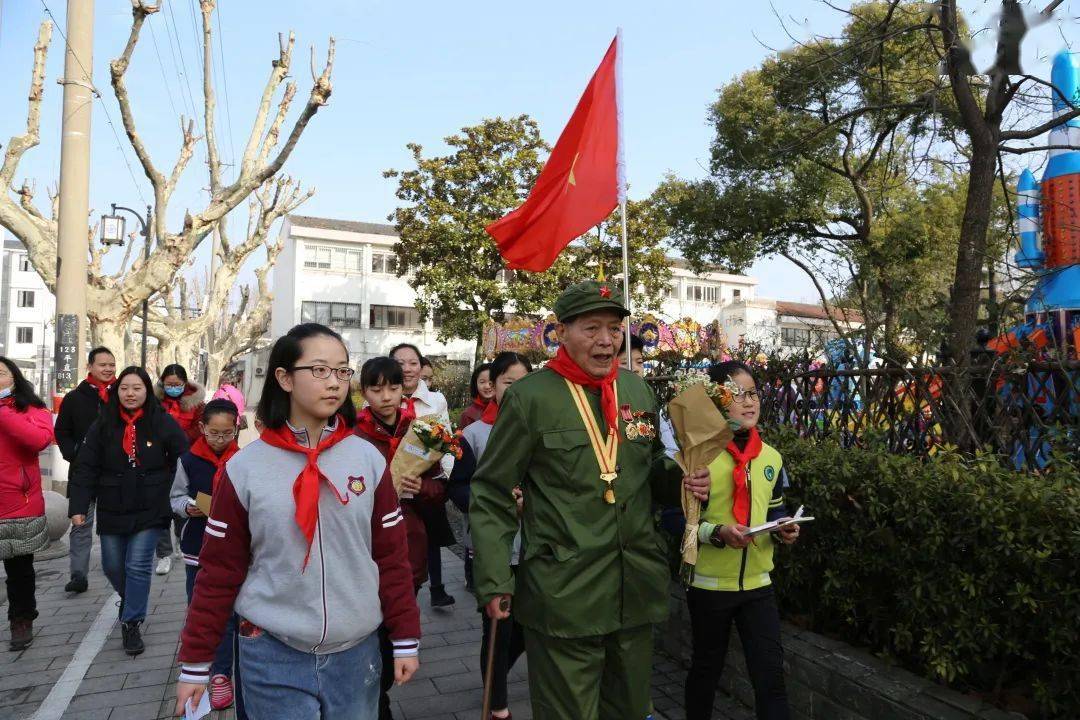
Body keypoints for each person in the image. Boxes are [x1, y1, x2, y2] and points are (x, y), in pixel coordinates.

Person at [470, 280, 712, 719]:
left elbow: (650, 468)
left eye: (615, 329)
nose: (607, 341)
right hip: (565, 594)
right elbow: (491, 492)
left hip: (633, 587)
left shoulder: (637, 392)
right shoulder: (531, 398)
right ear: (561, 333)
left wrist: (684, 478)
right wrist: (493, 579)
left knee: (631, 710)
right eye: (592, 328)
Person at [175, 323, 420, 719]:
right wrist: (196, 663)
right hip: (271, 653)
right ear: (284, 378)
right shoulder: (244, 469)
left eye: (342, 371)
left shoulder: (369, 461)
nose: (335, 382)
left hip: (356, 653)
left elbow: (391, 556)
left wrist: (406, 636)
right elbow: (219, 571)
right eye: (320, 370)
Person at [684, 361, 799, 720]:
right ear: (717, 403)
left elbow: (775, 512)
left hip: (758, 586)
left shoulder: (772, 457)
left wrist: (785, 528)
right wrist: (717, 532)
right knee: (706, 673)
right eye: (736, 395)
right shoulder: (698, 455)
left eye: (752, 393)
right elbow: (679, 523)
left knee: (770, 679)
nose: (748, 402)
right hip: (708, 587)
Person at [68, 366, 189, 656]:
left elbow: (183, 457)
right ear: (117, 391)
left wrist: (173, 491)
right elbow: (85, 466)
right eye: (124, 388)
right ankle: (131, 598)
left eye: (137, 388)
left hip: (150, 505)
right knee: (112, 565)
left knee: (137, 566)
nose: (130, 393)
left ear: (147, 391)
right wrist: (78, 506)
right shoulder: (103, 423)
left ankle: (131, 621)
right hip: (112, 504)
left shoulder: (161, 421)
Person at [354, 356, 443, 720]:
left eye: (393, 387)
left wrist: (423, 487)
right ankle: (376, 702)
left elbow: (440, 490)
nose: (386, 396)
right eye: (377, 389)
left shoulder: (422, 432)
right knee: (368, 634)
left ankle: (381, 688)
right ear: (364, 393)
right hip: (363, 551)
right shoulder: (351, 434)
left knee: (397, 625)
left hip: (409, 546)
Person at [449, 351, 532, 720]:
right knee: (497, 627)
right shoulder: (472, 434)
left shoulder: (541, 429)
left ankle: (493, 679)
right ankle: (497, 704)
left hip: (537, 548)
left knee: (527, 629)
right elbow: (459, 488)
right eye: (508, 383)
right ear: (492, 385)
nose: (516, 390)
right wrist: (497, 503)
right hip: (496, 548)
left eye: (524, 383)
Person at [169, 399, 241, 710]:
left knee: (231, 616)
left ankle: (222, 673)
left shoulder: (244, 460)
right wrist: (188, 507)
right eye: (214, 433)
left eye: (227, 433)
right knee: (203, 610)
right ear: (202, 429)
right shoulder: (187, 461)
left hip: (234, 551)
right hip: (197, 548)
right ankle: (206, 668)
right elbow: (174, 496)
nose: (221, 439)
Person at [390, 343, 456, 609]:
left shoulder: (436, 401)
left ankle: (427, 589)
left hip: (425, 486)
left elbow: (446, 441)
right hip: (390, 489)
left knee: (427, 541)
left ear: (421, 366)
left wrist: (445, 478)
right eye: (400, 362)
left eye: (413, 362)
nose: (407, 368)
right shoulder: (386, 396)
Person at [0, 357, 55, 650]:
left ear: (14, 378)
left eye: (0, 374)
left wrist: (2, 413)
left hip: (18, 501)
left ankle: (21, 618)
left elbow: (38, 440)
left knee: (18, 569)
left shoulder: (31, 409)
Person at [55, 346, 116, 594]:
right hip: (84, 474)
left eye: (111, 364)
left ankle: (115, 567)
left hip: (115, 473)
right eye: (102, 364)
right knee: (81, 524)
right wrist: (75, 454)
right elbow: (61, 432)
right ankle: (78, 574)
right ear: (90, 366)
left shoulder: (122, 395)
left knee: (113, 523)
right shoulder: (75, 398)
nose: (108, 369)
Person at [155, 364, 206, 575]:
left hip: (186, 459)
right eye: (169, 384)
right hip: (158, 461)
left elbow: (200, 427)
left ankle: (181, 540)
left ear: (185, 384)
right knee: (159, 507)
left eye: (177, 385)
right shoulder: (154, 402)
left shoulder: (197, 404)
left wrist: (177, 440)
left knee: (182, 504)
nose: (173, 388)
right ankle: (164, 554)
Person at [458, 363, 494, 429]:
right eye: (482, 382)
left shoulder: (506, 409)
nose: (487, 386)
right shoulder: (468, 415)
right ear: (475, 384)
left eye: (491, 382)